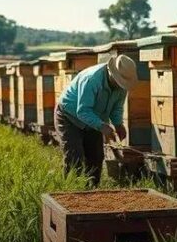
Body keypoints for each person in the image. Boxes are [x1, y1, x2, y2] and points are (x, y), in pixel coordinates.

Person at [55, 54, 138, 186]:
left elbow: (117, 107)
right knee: (74, 156)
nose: (120, 85)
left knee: (96, 157)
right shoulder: (92, 79)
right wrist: (102, 126)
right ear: (112, 73)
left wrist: (118, 124)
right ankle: (70, 191)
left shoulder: (121, 87)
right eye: (119, 81)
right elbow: (82, 111)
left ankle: (92, 191)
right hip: (69, 117)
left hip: (94, 120)